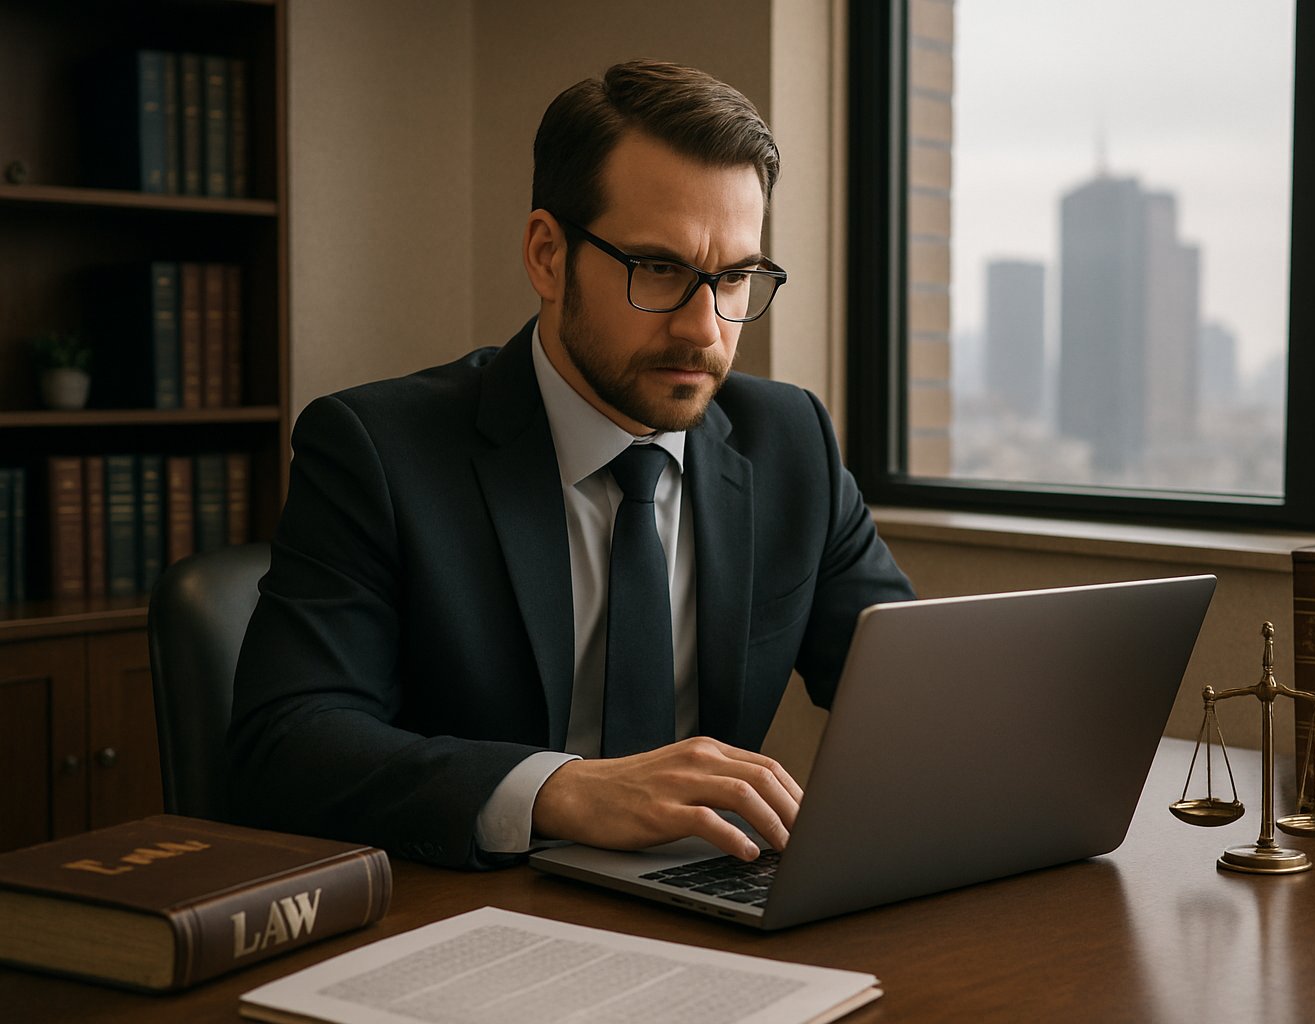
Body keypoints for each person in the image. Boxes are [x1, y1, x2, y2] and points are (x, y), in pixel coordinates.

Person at [227, 60, 914, 870]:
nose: (705, 328)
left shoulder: (790, 441)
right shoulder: (377, 450)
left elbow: (910, 692)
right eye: (658, 268)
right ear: (548, 256)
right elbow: (287, 746)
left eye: (734, 277)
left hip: (708, 894)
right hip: (474, 902)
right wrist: (561, 791)